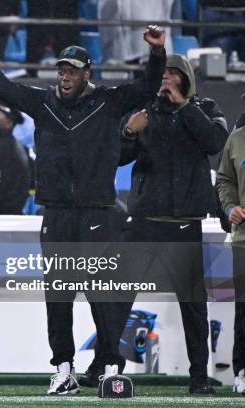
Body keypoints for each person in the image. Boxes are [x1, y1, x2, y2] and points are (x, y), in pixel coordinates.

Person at [0, 19, 166, 394]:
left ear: (86, 73)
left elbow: (147, 86)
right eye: (61, 69)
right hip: (56, 213)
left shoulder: (109, 102)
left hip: (97, 212)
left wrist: (156, 53)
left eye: (71, 70)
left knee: (101, 293)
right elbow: (0, 86)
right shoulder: (43, 104)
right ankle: (63, 368)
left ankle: (108, 365)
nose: (64, 76)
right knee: (58, 297)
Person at [120, 54, 228, 394]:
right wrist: (126, 132)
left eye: (171, 73)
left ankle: (198, 377)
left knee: (193, 307)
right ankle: (106, 366)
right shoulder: (144, 111)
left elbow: (215, 144)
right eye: (162, 73)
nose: (165, 78)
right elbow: (117, 156)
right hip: (145, 219)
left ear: (185, 78)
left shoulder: (206, 109)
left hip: (184, 223)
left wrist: (184, 106)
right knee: (119, 296)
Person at [213, 97, 245, 394]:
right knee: (244, 308)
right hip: (244, 238)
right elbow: (224, 179)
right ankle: (242, 371)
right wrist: (230, 206)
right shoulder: (236, 139)